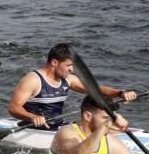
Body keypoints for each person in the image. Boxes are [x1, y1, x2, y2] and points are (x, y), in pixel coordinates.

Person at [8, 44, 137, 129]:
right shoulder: (33, 80)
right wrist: (32, 117)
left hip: (57, 126)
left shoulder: (68, 79)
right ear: (54, 62)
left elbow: (96, 90)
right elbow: (13, 108)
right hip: (33, 128)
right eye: (68, 65)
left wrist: (120, 93)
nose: (72, 69)